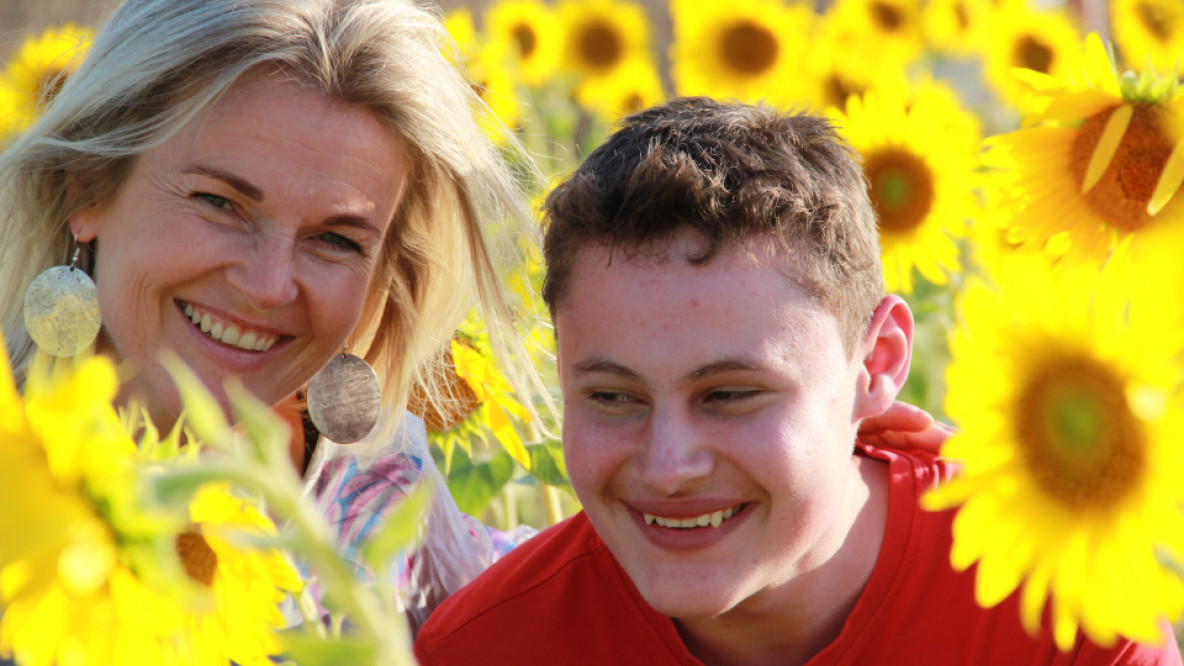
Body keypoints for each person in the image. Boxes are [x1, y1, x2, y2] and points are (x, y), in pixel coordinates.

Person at [413, 98, 1184, 665]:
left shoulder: (1062, 622)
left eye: (731, 394)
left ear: (876, 362)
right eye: (614, 397)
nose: (667, 465)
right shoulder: (486, 649)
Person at [0, 0, 547, 633]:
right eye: (219, 203)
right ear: (87, 187)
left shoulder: (375, 492)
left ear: (382, 280)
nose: (266, 286)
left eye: (337, 240)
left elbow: (556, 606)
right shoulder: (19, 454)